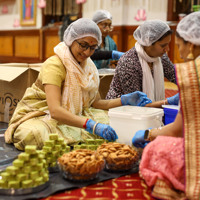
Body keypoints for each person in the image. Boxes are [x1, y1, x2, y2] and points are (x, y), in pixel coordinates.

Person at [4, 18, 152, 151]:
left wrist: (124, 100)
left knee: (112, 120)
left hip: (78, 113)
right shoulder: (54, 65)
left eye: (93, 48)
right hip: (42, 114)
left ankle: (76, 134)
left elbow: (97, 103)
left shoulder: (89, 67)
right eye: (83, 45)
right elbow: (55, 111)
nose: (87, 52)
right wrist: (91, 125)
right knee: (33, 135)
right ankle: (80, 133)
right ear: (71, 40)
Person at [132, 12, 200, 199]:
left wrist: (148, 134)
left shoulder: (192, 71)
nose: (172, 51)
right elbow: (134, 104)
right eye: (165, 46)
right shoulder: (130, 61)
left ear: (192, 45)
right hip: (136, 110)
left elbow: (179, 129)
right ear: (149, 43)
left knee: (157, 148)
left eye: (177, 45)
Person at [106, 20, 176, 104]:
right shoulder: (129, 62)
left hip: (147, 108)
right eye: (163, 45)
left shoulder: (160, 58)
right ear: (148, 43)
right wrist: (167, 102)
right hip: (121, 110)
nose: (167, 49)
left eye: (168, 44)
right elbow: (137, 103)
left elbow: (175, 76)